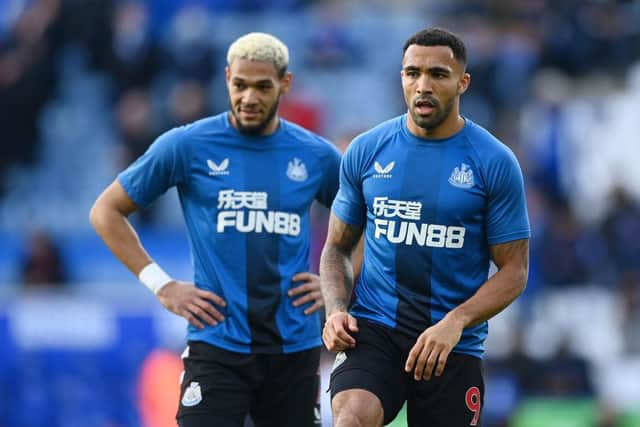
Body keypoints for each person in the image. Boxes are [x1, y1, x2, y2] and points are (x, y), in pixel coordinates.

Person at [90, 32, 342, 427]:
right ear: (226, 78)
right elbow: (106, 211)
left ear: (285, 84)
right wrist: (162, 285)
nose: (249, 97)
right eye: (240, 85)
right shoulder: (188, 145)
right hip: (217, 343)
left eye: (263, 86)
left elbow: (370, 221)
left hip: (293, 346)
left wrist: (336, 280)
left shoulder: (315, 154)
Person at [320, 27, 531, 427]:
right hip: (376, 330)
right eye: (412, 73)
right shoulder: (367, 150)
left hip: (452, 344)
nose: (422, 86)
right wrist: (335, 310)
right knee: (351, 420)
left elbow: (515, 271)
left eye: (437, 74)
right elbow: (337, 248)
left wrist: (455, 321)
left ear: (462, 82)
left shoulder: (494, 162)